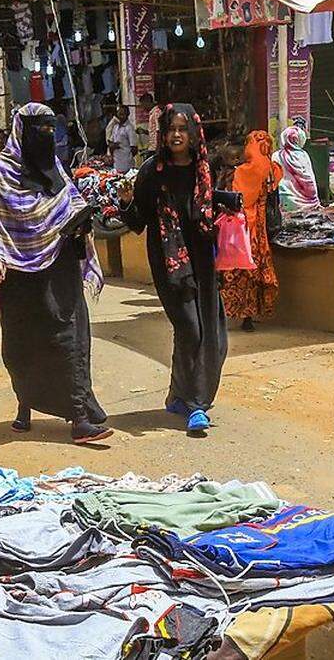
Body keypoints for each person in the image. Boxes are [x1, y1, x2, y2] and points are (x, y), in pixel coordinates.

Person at [0, 103, 111, 444]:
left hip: (59, 262)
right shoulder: (2, 169)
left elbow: (69, 202)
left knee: (70, 336)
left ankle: (80, 416)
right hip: (17, 271)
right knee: (24, 344)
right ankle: (25, 406)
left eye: (49, 130)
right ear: (21, 131)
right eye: (38, 130)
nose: (45, 137)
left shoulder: (54, 165)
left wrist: (82, 222)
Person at [116, 104, 228, 436]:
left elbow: (204, 209)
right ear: (163, 135)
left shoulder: (204, 170)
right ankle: (196, 405)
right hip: (170, 263)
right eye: (170, 129)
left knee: (214, 337)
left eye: (182, 129)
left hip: (204, 261)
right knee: (191, 329)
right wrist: (125, 202)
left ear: (194, 133)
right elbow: (138, 221)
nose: (176, 135)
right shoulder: (153, 172)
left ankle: (180, 394)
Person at [222, 130, 282, 331]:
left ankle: (242, 314)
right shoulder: (272, 168)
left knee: (240, 270)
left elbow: (240, 200)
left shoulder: (245, 171)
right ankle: (251, 315)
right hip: (262, 230)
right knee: (257, 268)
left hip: (246, 229)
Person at [273, 125, 321, 212]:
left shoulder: (277, 155)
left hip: (284, 197)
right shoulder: (303, 155)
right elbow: (309, 177)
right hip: (307, 202)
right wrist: (314, 197)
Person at [106, 105, 137, 173]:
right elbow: (111, 141)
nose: (121, 116)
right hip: (116, 163)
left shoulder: (129, 128)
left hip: (126, 163)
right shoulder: (115, 127)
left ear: (127, 114)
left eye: (123, 114)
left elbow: (134, 148)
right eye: (119, 114)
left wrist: (127, 155)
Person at [140, 93, 161, 158]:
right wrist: (144, 131)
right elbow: (153, 132)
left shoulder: (156, 112)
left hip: (155, 149)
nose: (143, 107)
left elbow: (159, 131)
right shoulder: (152, 113)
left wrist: (158, 149)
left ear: (148, 101)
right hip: (152, 148)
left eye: (143, 105)